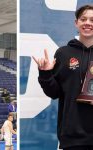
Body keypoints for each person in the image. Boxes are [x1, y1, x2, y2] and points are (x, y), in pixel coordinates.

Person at [33, 4, 93, 150]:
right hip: (72, 137)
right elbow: (54, 93)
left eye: (92, 20)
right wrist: (45, 73)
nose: (87, 23)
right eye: (83, 19)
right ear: (76, 22)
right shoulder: (63, 53)